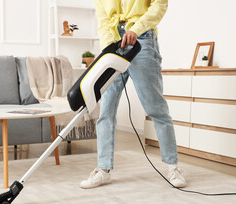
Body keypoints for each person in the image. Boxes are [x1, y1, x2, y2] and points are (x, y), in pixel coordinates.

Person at [80, 0, 187, 189]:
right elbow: (103, 19)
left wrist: (136, 29)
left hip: (142, 40)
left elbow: (159, 5)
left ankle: (173, 167)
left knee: (156, 109)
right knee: (106, 111)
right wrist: (108, 48)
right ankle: (103, 170)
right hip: (114, 45)